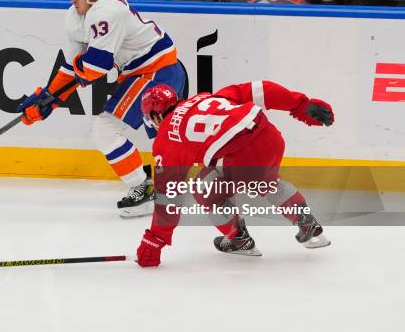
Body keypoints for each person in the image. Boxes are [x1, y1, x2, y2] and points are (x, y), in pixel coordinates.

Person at [16, 0, 187, 217]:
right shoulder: (75, 17)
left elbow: (95, 67)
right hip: (144, 71)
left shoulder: (108, 12)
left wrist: (55, 95)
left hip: (156, 72)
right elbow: (73, 68)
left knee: (107, 129)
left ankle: (144, 189)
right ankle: (158, 189)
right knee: (160, 137)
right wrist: (47, 99)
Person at [135, 81, 334, 267]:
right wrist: (300, 104)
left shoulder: (166, 138)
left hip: (242, 156)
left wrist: (155, 239)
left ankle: (238, 239)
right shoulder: (203, 98)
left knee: (204, 189)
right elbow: (260, 89)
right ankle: (307, 224)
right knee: (267, 182)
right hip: (269, 136)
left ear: (155, 115)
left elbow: (167, 196)